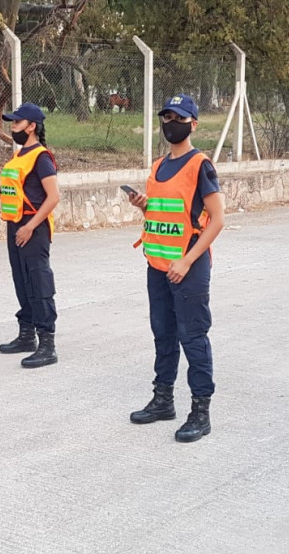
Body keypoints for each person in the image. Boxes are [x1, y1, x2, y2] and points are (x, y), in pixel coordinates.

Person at [124, 94, 224, 443]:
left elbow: (217, 219)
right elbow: (163, 212)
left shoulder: (201, 165)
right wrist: (142, 206)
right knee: (163, 335)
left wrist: (187, 259)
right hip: (158, 264)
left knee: (192, 337)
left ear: (193, 123)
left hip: (188, 267)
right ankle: (163, 399)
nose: (170, 123)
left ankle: (201, 411)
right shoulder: (157, 166)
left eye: (177, 117)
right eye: (165, 116)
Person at [0, 103, 62, 368]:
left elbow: (53, 197)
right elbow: (21, 192)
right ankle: (27, 334)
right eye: (12, 122)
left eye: (17, 123)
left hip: (33, 227)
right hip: (16, 225)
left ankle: (47, 343)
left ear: (32, 126)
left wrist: (30, 226)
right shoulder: (18, 157)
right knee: (22, 281)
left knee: (38, 282)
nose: (12, 126)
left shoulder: (41, 156)